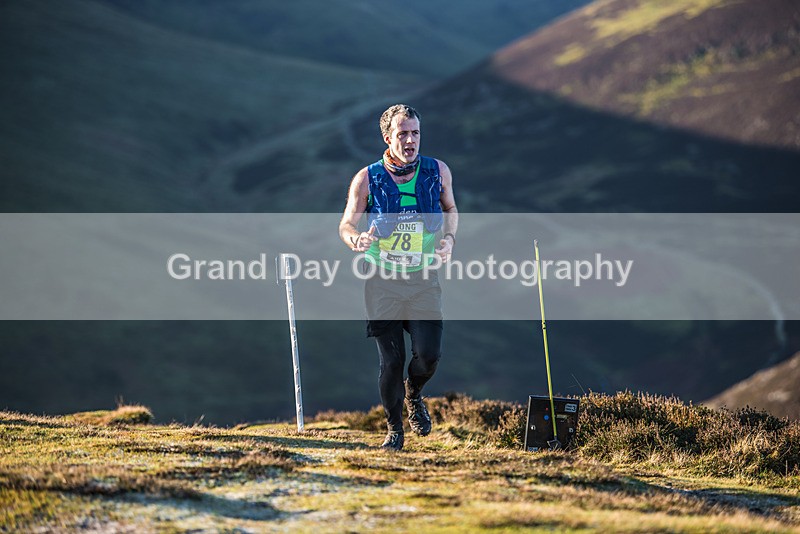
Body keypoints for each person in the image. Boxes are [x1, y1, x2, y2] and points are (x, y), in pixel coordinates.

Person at [339, 104, 458, 451]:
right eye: (402, 133)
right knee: (390, 361)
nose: (410, 140)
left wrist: (449, 239)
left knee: (429, 356)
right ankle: (394, 431)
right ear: (387, 137)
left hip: (423, 277)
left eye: (415, 133)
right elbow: (346, 224)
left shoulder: (438, 171)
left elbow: (450, 208)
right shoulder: (367, 178)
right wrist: (356, 240)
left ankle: (414, 393)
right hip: (382, 280)